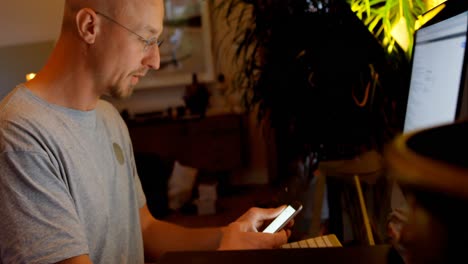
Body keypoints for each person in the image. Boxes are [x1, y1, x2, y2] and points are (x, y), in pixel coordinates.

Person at [0, 0, 292, 263]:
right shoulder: (20, 136)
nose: (155, 60)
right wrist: (227, 257)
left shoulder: (109, 118)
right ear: (90, 26)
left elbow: (146, 231)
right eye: (145, 40)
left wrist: (233, 234)